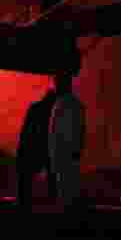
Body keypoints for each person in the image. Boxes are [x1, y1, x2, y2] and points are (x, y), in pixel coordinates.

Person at [48, 73, 86, 212]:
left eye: (57, 83)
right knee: (68, 194)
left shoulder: (63, 105)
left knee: (66, 195)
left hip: (64, 157)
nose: (55, 86)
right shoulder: (73, 105)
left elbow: (59, 135)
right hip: (68, 157)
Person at [17, 88, 59, 209]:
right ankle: (52, 201)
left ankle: (24, 205)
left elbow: (26, 131)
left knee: (25, 180)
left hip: (30, 147)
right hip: (41, 148)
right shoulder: (50, 111)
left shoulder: (35, 108)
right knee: (51, 177)